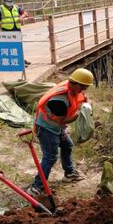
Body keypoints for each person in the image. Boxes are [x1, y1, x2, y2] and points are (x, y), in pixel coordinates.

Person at [27, 68, 92, 196]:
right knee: (50, 157)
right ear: (76, 84)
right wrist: (79, 115)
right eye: (83, 87)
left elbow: (81, 98)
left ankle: (69, 173)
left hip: (56, 127)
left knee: (67, 145)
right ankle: (37, 186)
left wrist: (86, 103)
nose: (83, 90)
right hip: (47, 128)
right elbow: (62, 120)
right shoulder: (59, 100)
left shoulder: (71, 88)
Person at [0, 0, 30, 65]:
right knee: (8, 47)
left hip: (16, 29)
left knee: (18, 46)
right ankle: (9, 61)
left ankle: (20, 60)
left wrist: (21, 17)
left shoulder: (16, 8)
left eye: (11, 1)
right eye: (8, 1)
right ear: (4, 1)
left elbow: (24, 13)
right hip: (6, 31)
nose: (10, 3)